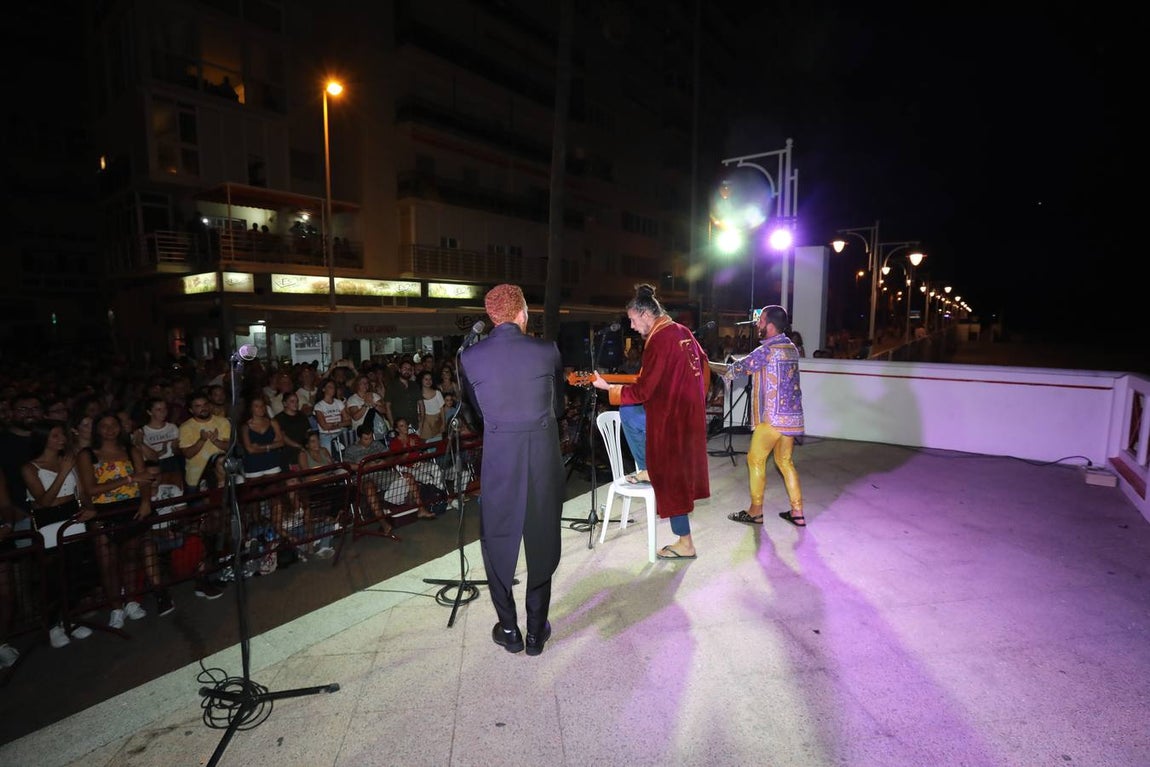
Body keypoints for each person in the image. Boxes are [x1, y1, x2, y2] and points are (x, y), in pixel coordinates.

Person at [459, 283, 564, 656]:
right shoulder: (546, 351)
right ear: (522, 313)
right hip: (541, 462)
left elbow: (473, 415)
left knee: (496, 542)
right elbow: (559, 408)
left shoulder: (470, 358)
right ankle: (536, 633)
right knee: (542, 541)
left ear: (491, 318)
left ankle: (509, 630)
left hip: (500, 461)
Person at [591, 283, 710, 560]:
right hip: (688, 415)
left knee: (630, 413)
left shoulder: (659, 340)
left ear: (645, 314)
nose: (632, 326)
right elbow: (703, 366)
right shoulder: (682, 332)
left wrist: (609, 389)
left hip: (672, 418)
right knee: (674, 478)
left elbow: (644, 391)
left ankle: (648, 468)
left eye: (632, 320)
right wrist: (693, 399)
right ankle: (685, 541)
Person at [713, 305, 806, 528]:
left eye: (761, 321)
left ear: (771, 326)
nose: (757, 324)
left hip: (773, 419)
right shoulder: (791, 347)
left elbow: (734, 370)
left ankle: (755, 511)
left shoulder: (767, 350)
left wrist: (704, 364)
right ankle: (798, 512)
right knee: (785, 462)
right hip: (792, 418)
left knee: (755, 459)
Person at [178, 393, 232, 490]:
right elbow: (188, 454)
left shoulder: (223, 422)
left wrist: (216, 441)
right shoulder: (185, 427)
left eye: (205, 404)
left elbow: (230, 447)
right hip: (196, 479)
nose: (203, 408)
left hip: (222, 476)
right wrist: (202, 440)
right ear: (191, 410)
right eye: (198, 406)